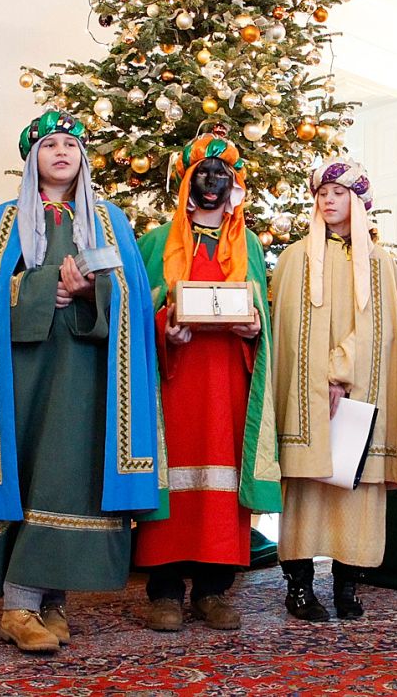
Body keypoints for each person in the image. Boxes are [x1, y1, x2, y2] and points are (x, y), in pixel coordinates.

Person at [0, 112, 163, 655]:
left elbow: (131, 296)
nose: (61, 152)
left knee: (73, 480)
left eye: (71, 144)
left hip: (88, 376)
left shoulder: (110, 222)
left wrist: (90, 295)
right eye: (49, 144)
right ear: (32, 157)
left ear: (83, 158)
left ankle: (52, 601)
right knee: (31, 476)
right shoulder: (2, 220)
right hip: (23, 377)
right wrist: (45, 293)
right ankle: (18, 605)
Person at [133, 131, 279, 632]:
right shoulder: (156, 242)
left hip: (228, 386)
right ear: (188, 182)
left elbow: (261, 314)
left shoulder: (250, 245)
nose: (213, 183)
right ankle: (165, 592)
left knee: (222, 486)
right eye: (204, 174)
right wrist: (164, 330)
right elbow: (138, 314)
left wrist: (254, 327)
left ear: (234, 184)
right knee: (173, 488)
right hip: (174, 384)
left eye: (223, 175)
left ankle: (214, 591)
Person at [271, 157, 397, 622]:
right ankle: (299, 587)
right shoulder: (294, 259)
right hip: (306, 399)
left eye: (338, 194)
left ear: (358, 202)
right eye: (321, 194)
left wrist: (337, 373)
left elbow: (379, 330)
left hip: (360, 392)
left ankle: (349, 587)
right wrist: (314, 383)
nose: (328, 201)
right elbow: (288, 333)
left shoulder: (378, 262)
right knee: (308, 488)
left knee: (357, 486)